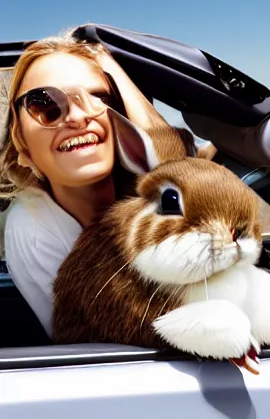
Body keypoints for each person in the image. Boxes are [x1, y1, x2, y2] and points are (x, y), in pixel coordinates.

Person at [0, 30, 215, 339]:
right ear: (21, 145)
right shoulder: (34, 227)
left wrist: (110, 65)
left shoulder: (142, 194)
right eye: (44, 104)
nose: (77, 116)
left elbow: (173, 164)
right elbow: (102, 341)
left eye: (100, 98)